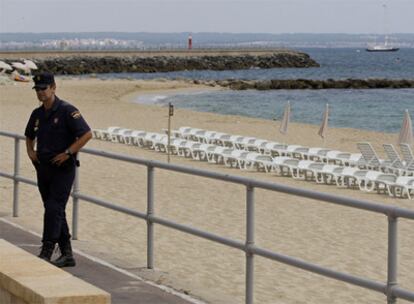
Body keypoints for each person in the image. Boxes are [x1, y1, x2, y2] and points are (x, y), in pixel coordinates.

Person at [25, 73, 92, 267]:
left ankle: (46, 249)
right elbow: (29, 135)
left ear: (54, 88)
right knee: (54, 209)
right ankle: (67, 254)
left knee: (54, 207)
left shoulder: (67, 111)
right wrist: (30, 151)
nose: (40, 92)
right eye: (37, 89)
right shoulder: (37, 114)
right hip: (43, 167)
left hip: (63, 168)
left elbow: (87, 134)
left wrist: (68, 153)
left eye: (44, 88)